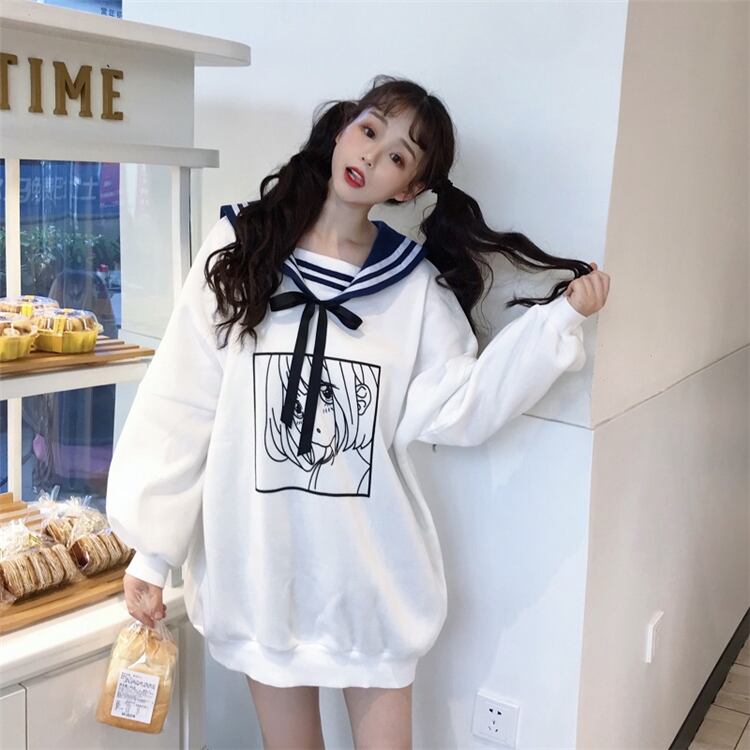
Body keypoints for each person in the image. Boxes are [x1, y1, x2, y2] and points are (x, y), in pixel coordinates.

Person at [107, 74, 610, 749]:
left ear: (407, 188)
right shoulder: (243, 248)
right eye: (370, 130)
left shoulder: (412, 286)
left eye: (397, 155)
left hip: (369, 581)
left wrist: (556, 325)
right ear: (344, 127)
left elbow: (459, 405)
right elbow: (183, 399)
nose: (372, 155)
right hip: (263, 574)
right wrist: (152, 555)